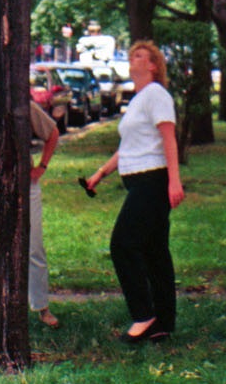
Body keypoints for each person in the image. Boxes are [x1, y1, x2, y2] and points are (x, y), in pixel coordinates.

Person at [84, 40, 184, 342]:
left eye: (140, 55)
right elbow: (127, 148)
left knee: (123, 245)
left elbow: (169, 138)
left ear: (153, 65)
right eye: (132, 55)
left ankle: (144, 315)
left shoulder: (156, 94)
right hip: (139, 179)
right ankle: (163, 322)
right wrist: (100, 174)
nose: (133, 58)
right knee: (155, 252)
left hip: (153, 180)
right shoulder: (139, 99)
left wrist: (175, 181)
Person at [29, 99, 60, 329]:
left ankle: (41, 306)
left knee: (34, 246)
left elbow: (52, 133)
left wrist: (42, 166)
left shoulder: (23, 105)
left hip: (25, 184)